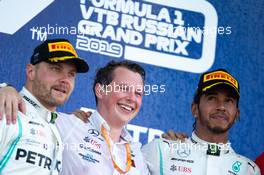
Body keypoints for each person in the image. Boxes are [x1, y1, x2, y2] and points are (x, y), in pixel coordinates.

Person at [0, 61, 150, 175]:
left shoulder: (139, 153)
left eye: (138, 93)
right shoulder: (65, 124)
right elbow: (33, 107)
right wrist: (6, 88)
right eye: (123, 88)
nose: (132, 98)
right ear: (100, 90)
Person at [141, 69, 261, 175]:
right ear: (195, 109)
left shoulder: (249, 170)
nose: (221, 107)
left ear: (237, 114)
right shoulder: (160, 150)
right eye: (212, 98)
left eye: (228, 100)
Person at [0, 38, 89, 175]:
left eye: (71, 74)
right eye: (56, 69)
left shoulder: (55, 126)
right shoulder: (7, 108)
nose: (65, 80)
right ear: (31, 72)